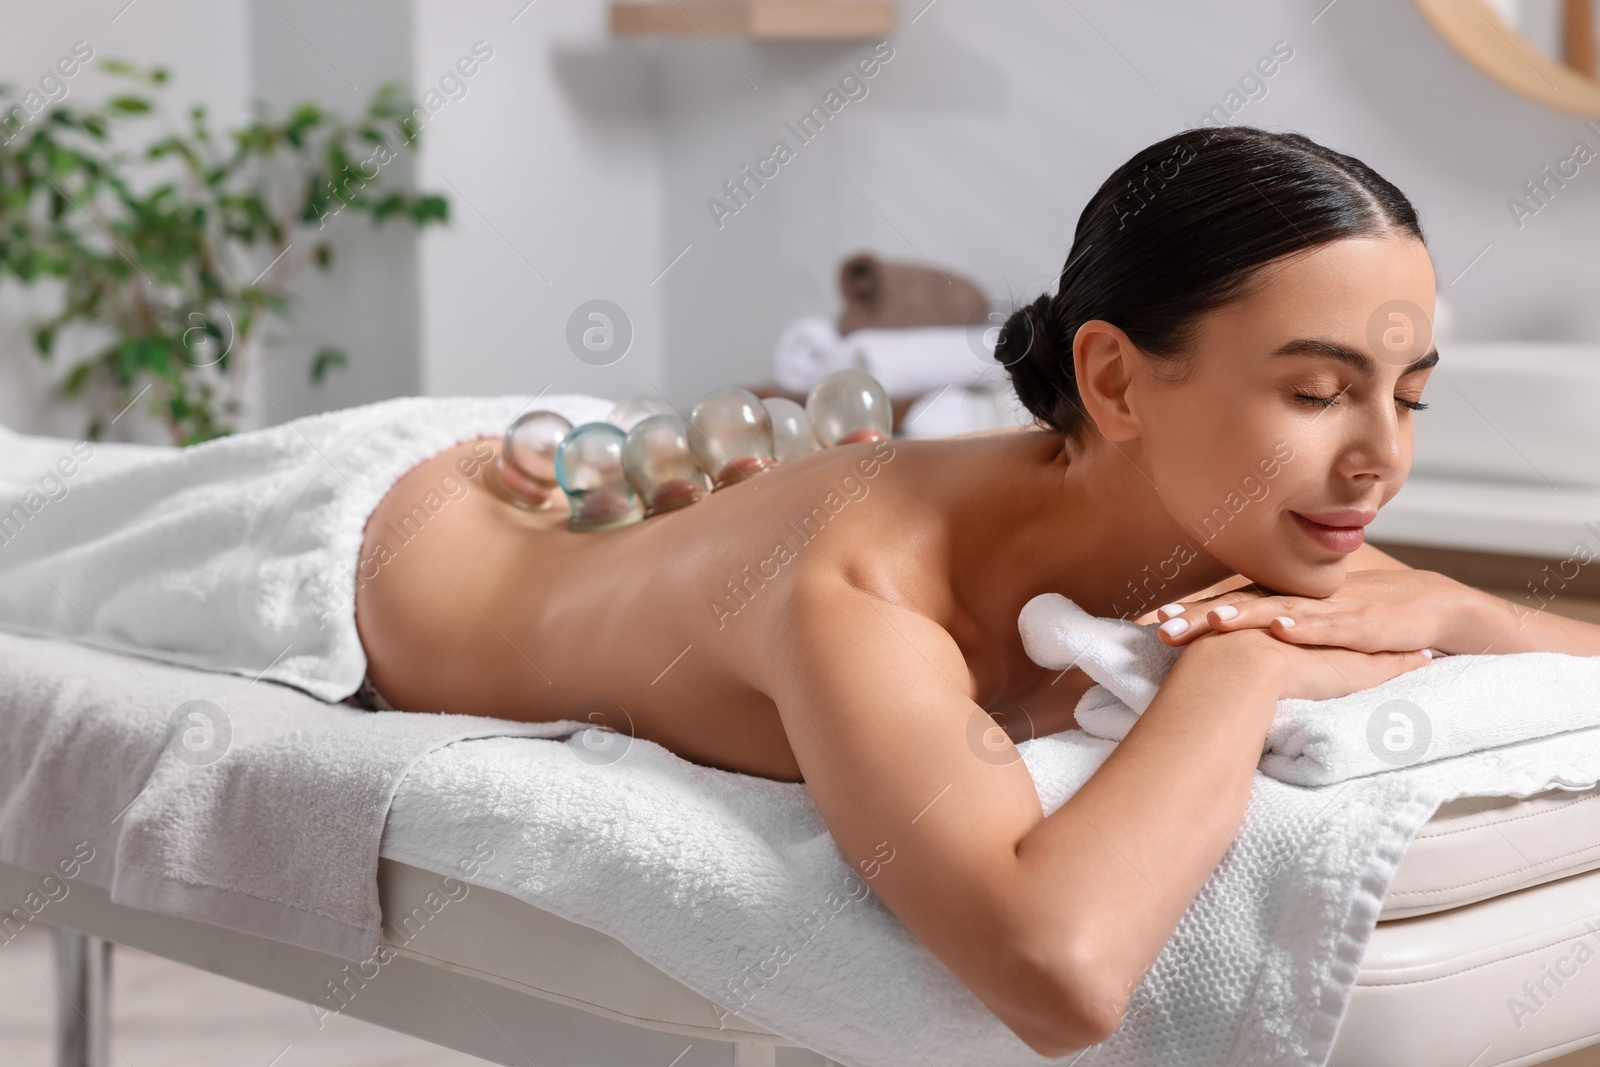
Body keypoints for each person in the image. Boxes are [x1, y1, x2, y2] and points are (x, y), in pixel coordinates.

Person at [352, 126, 1600, 1055]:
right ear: (1112, 382)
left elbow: (1542, 636)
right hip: (418, 528)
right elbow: (1056, 970)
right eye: (1318, 393)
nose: (1382, 454)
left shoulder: (1256, 526)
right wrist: (1245, 664)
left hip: (632, 489)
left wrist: (1466, 610)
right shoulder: (859, 589)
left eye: (1412, 393)